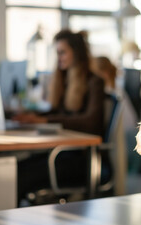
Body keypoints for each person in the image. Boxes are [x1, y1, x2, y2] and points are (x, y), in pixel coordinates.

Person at [15, 29, 105, 205]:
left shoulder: (94, 82)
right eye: (57, 53)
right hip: (61, 153)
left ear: (77, 53)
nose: (59, 58)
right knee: (16, 167)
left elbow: (90, 122)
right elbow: (57, 112)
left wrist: (44, 120)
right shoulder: (65, 80)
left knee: (20, 174)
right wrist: (32, 116)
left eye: (62, 52)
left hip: (80, 159)